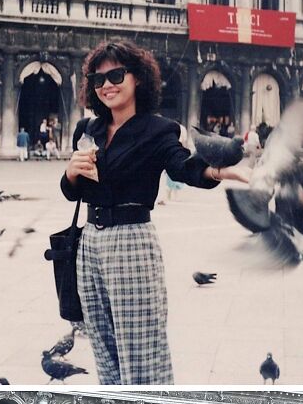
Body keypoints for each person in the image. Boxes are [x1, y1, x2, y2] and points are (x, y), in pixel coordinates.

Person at [61, 38, 248, 386]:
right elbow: (74, 190)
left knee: (141, 349)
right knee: (103, 348)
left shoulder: (158, 129)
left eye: (115, 75)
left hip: (131, 242)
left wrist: (219, 171)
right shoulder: (88, 130)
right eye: (98, 79)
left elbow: (184, 168)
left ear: (138, 78)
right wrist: (71, 173)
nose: (107, 85)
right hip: (89, 246)